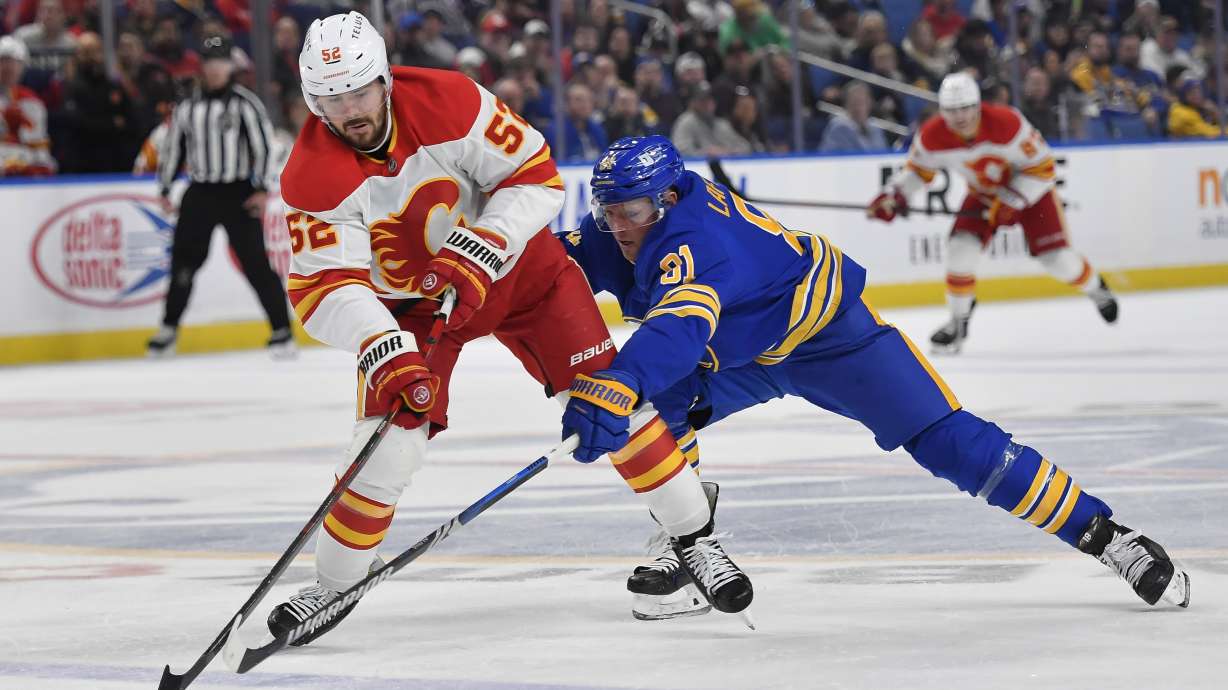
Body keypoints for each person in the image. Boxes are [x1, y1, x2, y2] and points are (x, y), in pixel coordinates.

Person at [558, 135, 1191, 623]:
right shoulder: (626, 225)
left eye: (631, 211)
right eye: (607, 211)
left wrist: (622, 381)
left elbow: (677, 331)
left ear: (667, 199)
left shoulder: (697, 241)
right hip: (738, 352)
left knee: (953, 444)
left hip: (832, 338)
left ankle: (1106, 535)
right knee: (655, 415)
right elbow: (555, 264)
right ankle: (689, 542)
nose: (617, 227)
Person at [267, 11, 752, 644]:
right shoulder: (310, 174)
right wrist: (382, 345)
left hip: (527, 277)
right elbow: (326, 286)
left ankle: (692, 536)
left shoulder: (452, 100)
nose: (350, 110)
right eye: (333, 99)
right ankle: (336, 582)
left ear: (385, 79)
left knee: (610, 399)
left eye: (360, 91)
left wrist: (484, 244)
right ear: (313, 101)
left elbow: (535, 178)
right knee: (388, 443)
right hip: (413, 310)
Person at [867, 72, 1118, 354]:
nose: (960, 117)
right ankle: (958, 321)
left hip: (1032, 191)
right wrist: (894, 196)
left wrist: (1012, 200)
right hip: (984, 194)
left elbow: (1044, 168)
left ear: (977, 105)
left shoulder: (1007, 123)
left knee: (1057, 260)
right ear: (942, 110)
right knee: (959, 251)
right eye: (951, 110)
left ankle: (1097, 289)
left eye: (965, 108)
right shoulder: (932, 136)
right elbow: (917, 171)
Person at [148, 35, 294, 359]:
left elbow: (266, 148)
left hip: (238, 192)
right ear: (202, 66)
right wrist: (165, 187)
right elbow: (173, 149)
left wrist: (262, 189)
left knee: (257, 263)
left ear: (231, 65)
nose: (215, 69)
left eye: (220, 62)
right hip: (200, 192)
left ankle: (282, 330)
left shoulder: (245, 103)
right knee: (183, 264)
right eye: (209, 62)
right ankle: (168, 329)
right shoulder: (187, 106)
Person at [0, 35, 56, 176]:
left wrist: (40, 166)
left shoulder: (32, 102)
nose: (9, 67)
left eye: (15, 62)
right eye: (4, 61)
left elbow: (39, 147)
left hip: (23, 171)